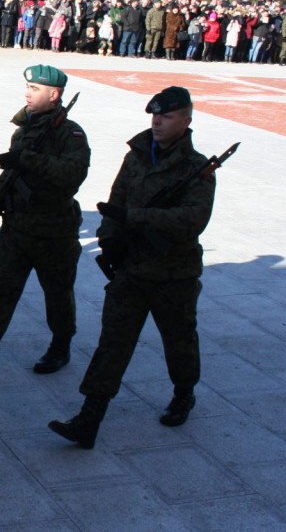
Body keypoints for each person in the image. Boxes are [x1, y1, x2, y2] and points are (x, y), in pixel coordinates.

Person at [49, 86, 216, 449]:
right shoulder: (137, 155)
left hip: (175, 273)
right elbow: (116, 199)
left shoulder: (198, 168)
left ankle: (183, 393)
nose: (157, 122)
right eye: (154, 115)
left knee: (179, 340)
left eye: (167, 116)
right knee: (112, 344)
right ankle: (89, 419)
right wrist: (109, 237)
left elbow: (193, 220)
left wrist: (135, 218)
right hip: (133, 269)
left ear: (186, 120)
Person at [0, 65, 90, 371]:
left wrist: (28, 159)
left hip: (53, 232)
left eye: (35, 89)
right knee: (0, 292)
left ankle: (61, 345)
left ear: (54, 95)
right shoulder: (25, 128)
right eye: (27, 87)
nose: (27, 94)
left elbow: (73, 175)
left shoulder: (70, 134)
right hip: (17, 229)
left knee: (57, 295)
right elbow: (13, 173)